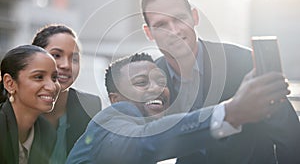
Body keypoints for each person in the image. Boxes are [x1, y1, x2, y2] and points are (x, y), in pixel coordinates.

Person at [141, 0, 300, 163]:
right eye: (161, 25)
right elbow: (139, 146)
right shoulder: (148, 81)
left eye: (179, 19)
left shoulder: (245, 62)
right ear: (149, 33)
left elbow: (290, 136)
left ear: (194, 17)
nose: (174, 31)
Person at [66, 52, 290, 164]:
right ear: (115, 99)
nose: (157, 89)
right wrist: (231, 112)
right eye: (142, 82)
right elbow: (145, 142)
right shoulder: (113, 119)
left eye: (161, 81)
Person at [31, 24, 102, 164]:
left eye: (74, 59)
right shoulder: (10, 106)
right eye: (56, 55)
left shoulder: (90, 106)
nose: (66, 65)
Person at [0, 45, 61, 164]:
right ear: (10, 83)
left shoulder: (47, 132)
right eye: (38, 77)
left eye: (54, 78)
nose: (52, 87)